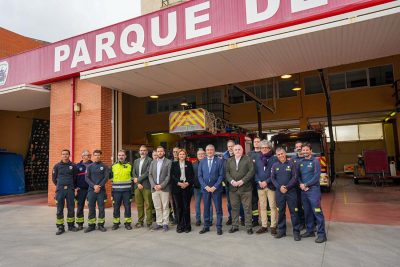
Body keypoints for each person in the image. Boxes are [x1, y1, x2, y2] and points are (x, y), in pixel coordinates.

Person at [298, 143, 327, 243]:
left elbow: (316, 177)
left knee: (317, 212)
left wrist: (306, 185)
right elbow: (298, 176)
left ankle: (322, 234)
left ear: (310, 150)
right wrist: (301, 184)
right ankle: (310, 231)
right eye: (303, 150)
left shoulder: (315, 161)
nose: (305, 151)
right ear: (301, 151)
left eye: (307, 150)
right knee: (307, 212)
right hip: (304, 191)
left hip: (313, 190)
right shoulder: (300, 162)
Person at [270, 148, 301, 241]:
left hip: (291, 192)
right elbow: (272, 178)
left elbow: (295, 177)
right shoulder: (275, 165)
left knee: (294, 212)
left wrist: (287, 187)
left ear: (285, 153)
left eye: (282, 153)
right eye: (278, 154)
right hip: (280, 193)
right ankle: (281, 231)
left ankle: (296, 232)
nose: (280, 156)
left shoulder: (292, 164)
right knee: (281, 212)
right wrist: (279, 187)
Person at [225, 144, 255, 235]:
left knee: (247, 208)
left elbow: (251, 171)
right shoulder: (229, 160)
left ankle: (249, 227)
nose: (237, 151)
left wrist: (242, 181)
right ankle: (235, 226)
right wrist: (231, 181)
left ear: (242, 151)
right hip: (233, 189)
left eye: (239, 149)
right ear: (233, 151)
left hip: (246, 188)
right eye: (236, 149)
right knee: (234, 208)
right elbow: (226, 172)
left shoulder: (248, 159)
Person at [198, 144, 224, 235]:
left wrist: (214, 186)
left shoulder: (219, 161)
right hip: (205, 190)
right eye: (208, 150)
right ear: (206, 151)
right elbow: (200, 176)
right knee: (206, 208)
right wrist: (206, 187)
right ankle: (206, 226)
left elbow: (221, 175)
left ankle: (219, 227)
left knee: (218, 208)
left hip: (216, 189)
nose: (209, 151)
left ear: (214, 151)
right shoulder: (202, 162)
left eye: (211, 150)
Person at [52, 149, 78, 235]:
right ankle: (60, 227)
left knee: (71, 208)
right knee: (59, 209)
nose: (65, 155)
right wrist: (60, 185)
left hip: (70, 190)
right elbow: (54, 179)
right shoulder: (57, 166)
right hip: (60, 190)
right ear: (61, 155)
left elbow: (75, 178)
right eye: (63, 154)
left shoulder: (73, 166)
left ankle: (71, 226)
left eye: (66, 154)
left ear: (69, 155)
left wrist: (71, 185)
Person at [254, 140, 278, 235]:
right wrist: (259, 181)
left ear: (269, 148)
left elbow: (274, 173)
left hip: (271, 186)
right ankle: (264, 226)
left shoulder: (274, 159)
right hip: (260, 186)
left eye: (266, 148)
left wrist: (266, 182)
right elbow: (255, 172)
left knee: (272, 206)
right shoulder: (257, 158)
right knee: (262, 207)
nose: (264, 149)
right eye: (262, 148)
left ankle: (273, 226)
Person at [84, 150, 109, 233]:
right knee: (91, 208)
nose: (97, 156)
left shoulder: (105, 166)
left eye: (99, 155)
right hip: (91, 191)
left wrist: (99, 186)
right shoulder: (89, 166)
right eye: (96, 155)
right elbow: (87, 178)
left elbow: (106, 178)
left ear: (101, 156)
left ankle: (101, 225)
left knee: (101, 208)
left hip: (101, 191)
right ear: (93, 156)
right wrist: (94, 186)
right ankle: (91, 225)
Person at [149, 146, 172, 232]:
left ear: (164, 152)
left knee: (165, 206)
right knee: (157, 207)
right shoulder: (153, 162)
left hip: (164, 188)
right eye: (158, 151)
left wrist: (161, 185)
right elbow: (150, 175)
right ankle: (159, 223)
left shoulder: (168, 162)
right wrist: (154, 185)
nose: (160, 153)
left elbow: (168, 176)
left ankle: (165, 223)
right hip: (154, 188)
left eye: (161, 151)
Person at [171, 149, 194, 233]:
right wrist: (179, 183)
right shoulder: (174, 164)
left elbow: (192, 176)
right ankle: (180, 225)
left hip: (187, 188)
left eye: (183, 154)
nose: (182, 155)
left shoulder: (189, 164)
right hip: (177, 188)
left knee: (186, 207)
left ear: (185, 155)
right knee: (179, 208)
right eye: (180, 154)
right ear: (177, 155)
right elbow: (172, 176)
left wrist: (187, 183)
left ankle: (187, 226)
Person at [110, 150, 133, 230]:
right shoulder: (113, 166)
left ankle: (128, 223)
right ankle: (116, 223)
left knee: (127, 207)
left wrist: (131, 192)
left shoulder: (129, 165)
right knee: (116, 207)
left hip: (127, 191)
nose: (121, 156)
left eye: (122, 155)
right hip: (116, 192)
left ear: (125, 156)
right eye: (119, 155)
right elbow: (110, 178)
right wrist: (111, 192)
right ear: (117, 156)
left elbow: (132, 178)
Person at [223, 140, 244, 226]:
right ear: (227, 148)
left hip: (240, 183)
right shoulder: (224, 157)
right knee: (230, 203)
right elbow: (224, 171)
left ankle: (243, 218)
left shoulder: (240, 155)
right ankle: (231, 218)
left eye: (232, 146)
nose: (230, 148)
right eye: (229, 146)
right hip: (229, 184)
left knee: (241, 202)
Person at [133, 145, 153, 228]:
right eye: (141, 150)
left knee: (148, 205)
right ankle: (140, 221)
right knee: (139, 204)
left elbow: (148, 172)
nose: (142, 152)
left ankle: (149, 221)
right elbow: (133, 173)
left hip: (146, 185)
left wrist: (138, 180)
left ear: (147, 152)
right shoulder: (136, 161)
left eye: (144, 150)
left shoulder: (150, 160)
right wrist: (137, 183)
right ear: (139, 151)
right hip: (137, 186)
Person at [193, 149, 213, 226]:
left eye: (202, 154)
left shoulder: (208, 163)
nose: (201, 155)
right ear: (197, 156)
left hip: (207, 188)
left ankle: (209, 219)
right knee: (197, 204)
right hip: (197, 188)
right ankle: (198, 219)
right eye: (199, 154)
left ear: (205, 155)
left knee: (208, 204)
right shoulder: (193, 164)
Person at [75, 150, 92, 230]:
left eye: (89, 155)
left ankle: (91, 224)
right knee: (80, 206)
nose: (88, 156)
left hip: (91, 189)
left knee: (91, 206)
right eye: (86, 155)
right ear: (82, 157)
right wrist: (75, 187)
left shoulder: (93, 165)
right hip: (81, 189)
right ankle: (80, 224)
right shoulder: (77, 166)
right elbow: (74, 178)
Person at [247, 136, 261, 227]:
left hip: (261, 181)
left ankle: (268, 219)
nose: (256, 143)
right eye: (255, 141)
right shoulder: (249, 154)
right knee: (254, 201)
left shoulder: (263, 153)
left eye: (258, 141)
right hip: (252, 181)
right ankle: (255, 220)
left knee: (265, 202)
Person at [292, 140, 306, 229]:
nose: (299, 148)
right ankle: (301, 223)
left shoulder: (307, 158)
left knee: (308, 205)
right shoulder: (293, 159)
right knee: (298, 205)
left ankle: (312, 223)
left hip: (306, 186)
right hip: (296, 187)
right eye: (297, 147)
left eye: (300, 146)